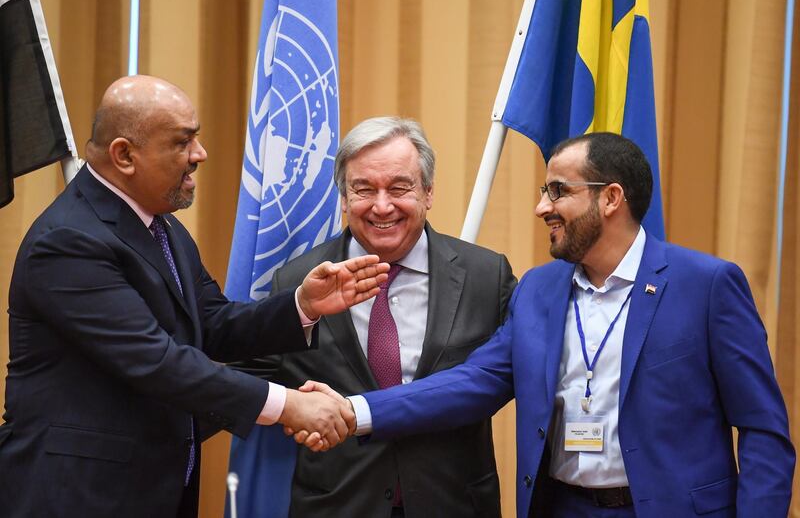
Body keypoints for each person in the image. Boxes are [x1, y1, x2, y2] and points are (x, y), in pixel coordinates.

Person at [298, 132, 795, 517]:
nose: (541, 207)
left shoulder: (705, 285)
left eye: (558, 191)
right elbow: (475, 382)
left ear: (611, 198)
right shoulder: (538, 289)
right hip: (560, 506)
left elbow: (763, 431)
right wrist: (354, 410)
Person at [0, 75, 388, 518]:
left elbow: (213, 325)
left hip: (153, 490)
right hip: (75, 495)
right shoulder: (68, 241)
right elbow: (157, 360)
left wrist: (302, 305)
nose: (199, 154)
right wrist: (288, 405)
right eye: (183, 142)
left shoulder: (162, 227)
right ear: (124, 155)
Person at [234, 117, 516, 518]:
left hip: (453, 504)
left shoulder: (486, 277)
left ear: (429, 192)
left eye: (399, 188)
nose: (382, 206)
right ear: (344, 199)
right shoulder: (298, 280)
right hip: (337, 505)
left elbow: (506, 377)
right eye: (363, 189)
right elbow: (244, 378)